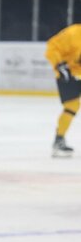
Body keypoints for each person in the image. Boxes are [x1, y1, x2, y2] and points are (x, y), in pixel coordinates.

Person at [45, 24, 81, 158]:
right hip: (68, 74)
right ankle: (59, 140)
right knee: (72, 106)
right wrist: (59, 65)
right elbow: (52, 46)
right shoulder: (74, 33)